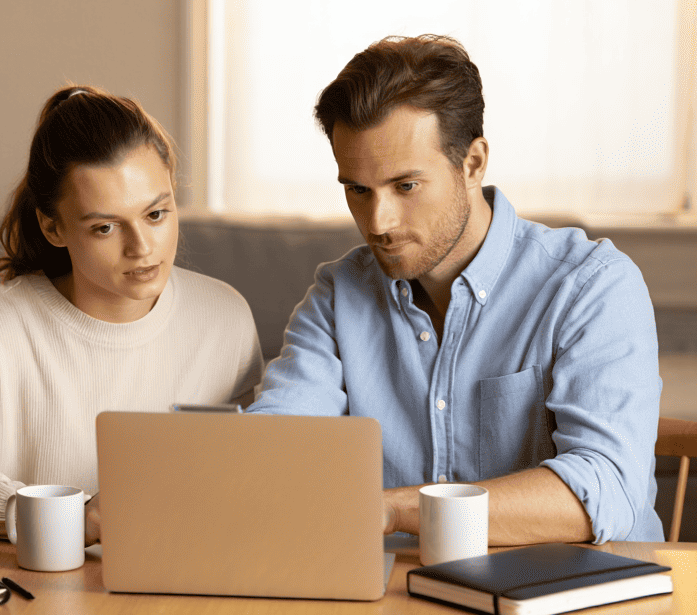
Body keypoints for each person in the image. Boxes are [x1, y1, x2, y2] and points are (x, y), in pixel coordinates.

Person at [249, 35, 664, 545]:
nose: (378, 222)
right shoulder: (339, 296)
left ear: (472, 163)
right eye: (357, 190)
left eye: (406, 186)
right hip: (404, 585)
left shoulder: (591, 285)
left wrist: (394, 509)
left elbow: (605, 489)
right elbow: (276, 446)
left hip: (580, 585)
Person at [0, 85, 263, 544]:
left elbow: (247, 477)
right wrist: (72, 516)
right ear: (53, 227)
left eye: (156, 214)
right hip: (34, 580)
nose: (141, 247)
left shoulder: (225, 317)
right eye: (105, 227)